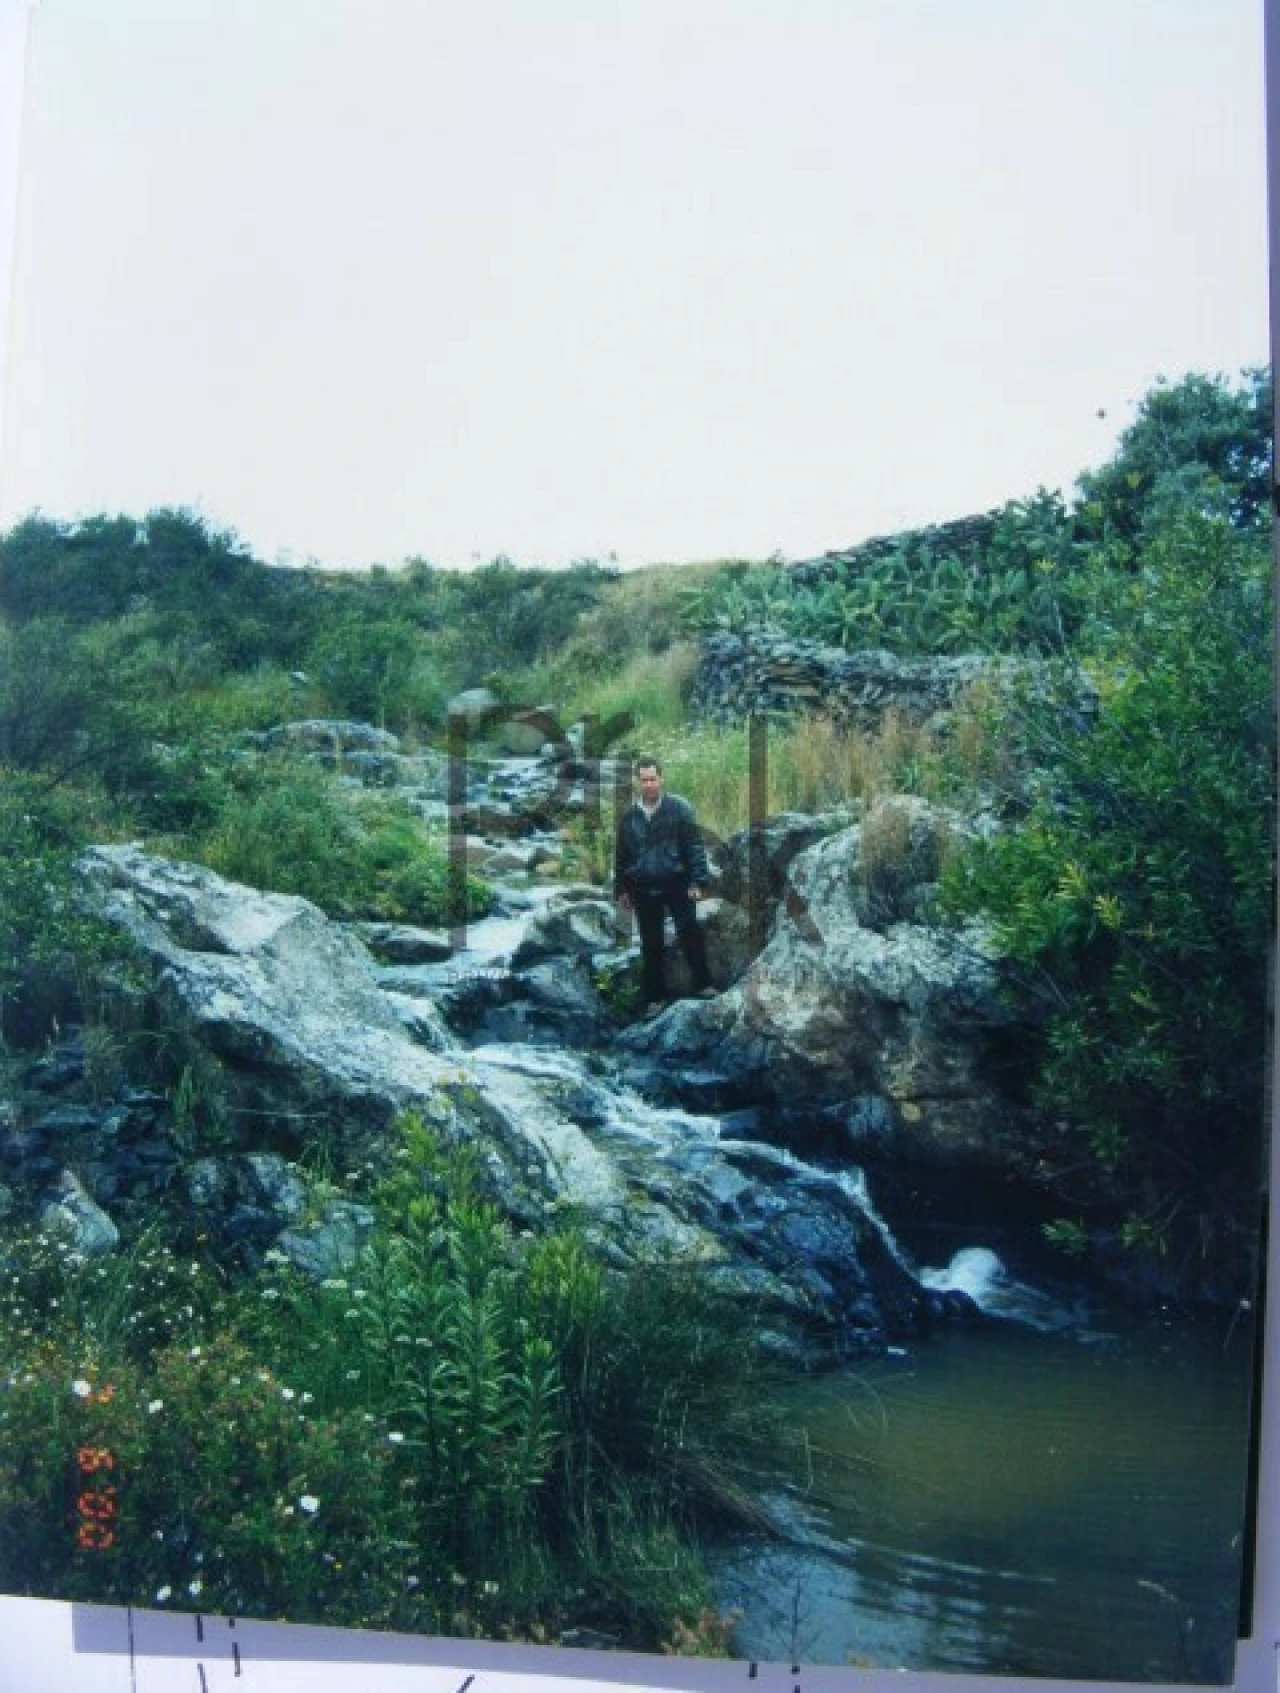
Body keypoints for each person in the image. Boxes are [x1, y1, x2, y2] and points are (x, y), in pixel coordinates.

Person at [614, 756, 716, 1013]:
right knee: (651, 945)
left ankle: (703, 985)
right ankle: (655, 999)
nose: (649, 784)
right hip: (643, 886)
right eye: (644, 780)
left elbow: (694, 847)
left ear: (661, 778)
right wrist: (621, 889)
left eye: (653, 779)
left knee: (690, 932)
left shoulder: (680, 808)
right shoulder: (628, 815)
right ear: (638, 782)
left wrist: (697, 881)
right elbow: (621, 854)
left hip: (678, 882)